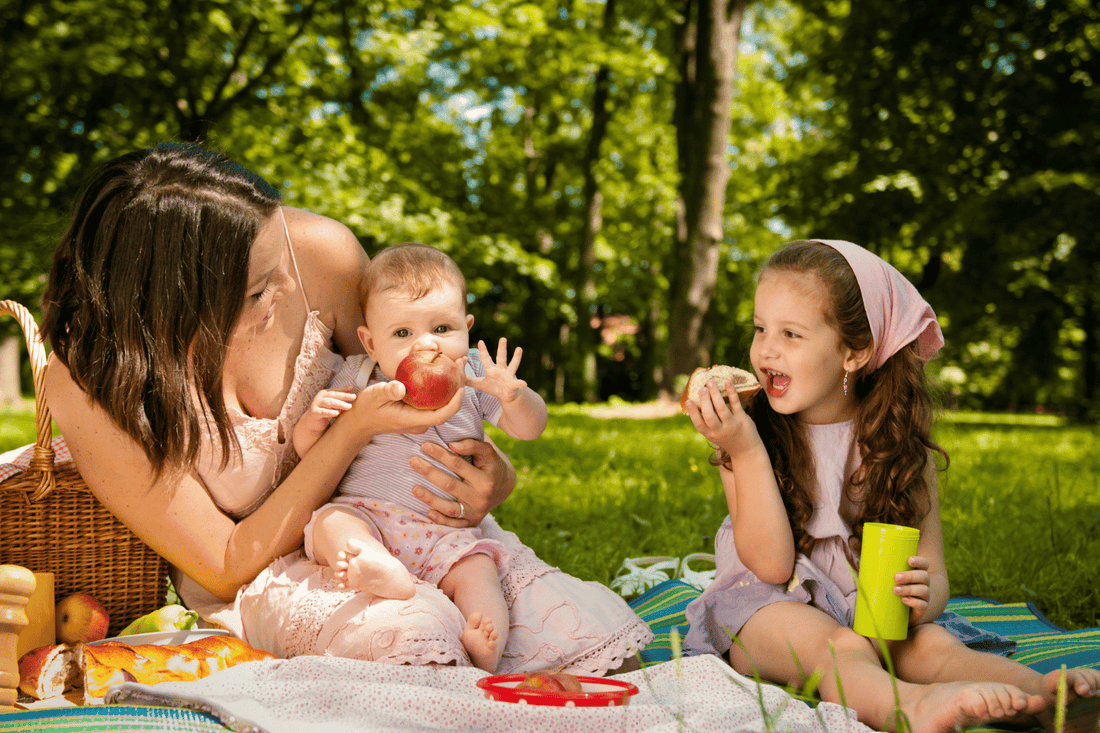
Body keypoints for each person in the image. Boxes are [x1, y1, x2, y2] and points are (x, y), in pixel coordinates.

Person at [40, 142, 652, 673]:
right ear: (166, 305)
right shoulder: (91, 376)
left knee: (589, 640)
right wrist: (348, 432)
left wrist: (496, 476)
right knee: (418, 643)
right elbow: (224, 563)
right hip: (275, 577)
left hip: (414, 529)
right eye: (255, 291)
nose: (280, 293)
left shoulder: (317, 254)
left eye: (275, 267)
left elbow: (418, 385)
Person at [680, 240, 1100, 733]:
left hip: (865, 609)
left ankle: (1046, 699)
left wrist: (927, 598)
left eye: (791, 334)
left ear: (854, 352)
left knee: (932, 645)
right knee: (842, 648)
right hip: (765, 611)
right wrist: (745, 450)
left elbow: (935, 572)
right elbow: (770, 565)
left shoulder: (897, 446)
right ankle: (912, 709)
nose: (765, 349)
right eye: (760, 329)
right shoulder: (747, 433)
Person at [292, 242, 548, 672]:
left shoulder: (471, 377)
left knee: (479, 569)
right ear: (371, 344)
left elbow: (529, 428)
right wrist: (313, 424)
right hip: (368, 514)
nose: (425, 345)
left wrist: (515, 396)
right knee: (332, 524)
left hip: (443, 531)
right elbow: (311, 457)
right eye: (402, 334)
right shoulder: (356, 378)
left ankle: (486, 636)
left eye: (443, 328)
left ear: (467, 329)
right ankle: (375, 565)